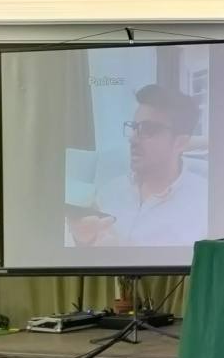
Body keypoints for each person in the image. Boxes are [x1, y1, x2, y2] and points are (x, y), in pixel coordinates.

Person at [69, 84, 208, 246]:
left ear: (181, 143)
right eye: (134, 128)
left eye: (148, 129)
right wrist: (84, 239)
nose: (133, 138)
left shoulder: (205, 203)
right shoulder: (109, 192)